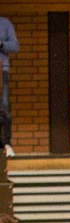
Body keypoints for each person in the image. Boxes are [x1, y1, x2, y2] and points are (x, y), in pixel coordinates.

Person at [0, 15, 18, 157]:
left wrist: (1, 44)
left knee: (4, 107)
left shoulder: (5, 23)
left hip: (1, 70)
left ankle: (7, 144)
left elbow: (15, 46)